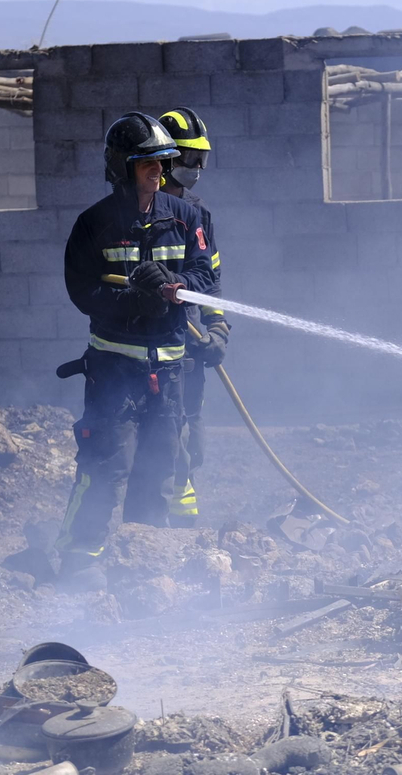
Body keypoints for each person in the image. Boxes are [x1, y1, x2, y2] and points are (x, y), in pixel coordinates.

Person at [50, 112, 216, 592]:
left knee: (159, 465)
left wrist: (174, 283)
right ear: (123, 167)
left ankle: (141, 559)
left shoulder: (186, 218)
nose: (158, 172)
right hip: (114, 368)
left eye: (162, 162)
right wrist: (132, 301)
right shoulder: (94, 224)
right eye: (148, 163)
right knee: (106, 463)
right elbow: (82, 291)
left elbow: (206, 276)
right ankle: (79, 560)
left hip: (168, 369)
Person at [149, 107, 228, 528]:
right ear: (164, 160)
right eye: (188, 159)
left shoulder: (198, 213)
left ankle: (183, 507)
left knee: (189, 425)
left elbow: (210, 278)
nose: (195, 168)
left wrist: (216, 327)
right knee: (157, 427)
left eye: (201, 159)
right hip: (149, 341)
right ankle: (153, 515)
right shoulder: (141, 209)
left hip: (190, 338)